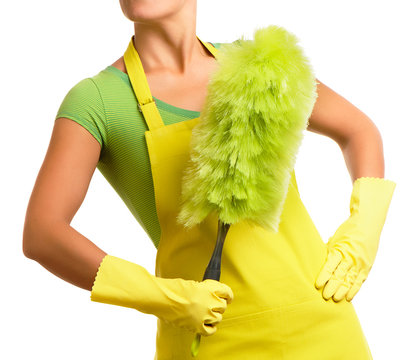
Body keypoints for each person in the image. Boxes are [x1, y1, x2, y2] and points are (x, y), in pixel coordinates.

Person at [22, 0, 396, 359]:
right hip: (209, 339)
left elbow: (359, 131)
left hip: (323, 323)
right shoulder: (98, 101)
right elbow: (43, 233)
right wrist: (164, 297)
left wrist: (363, 230)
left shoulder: (258, 64)